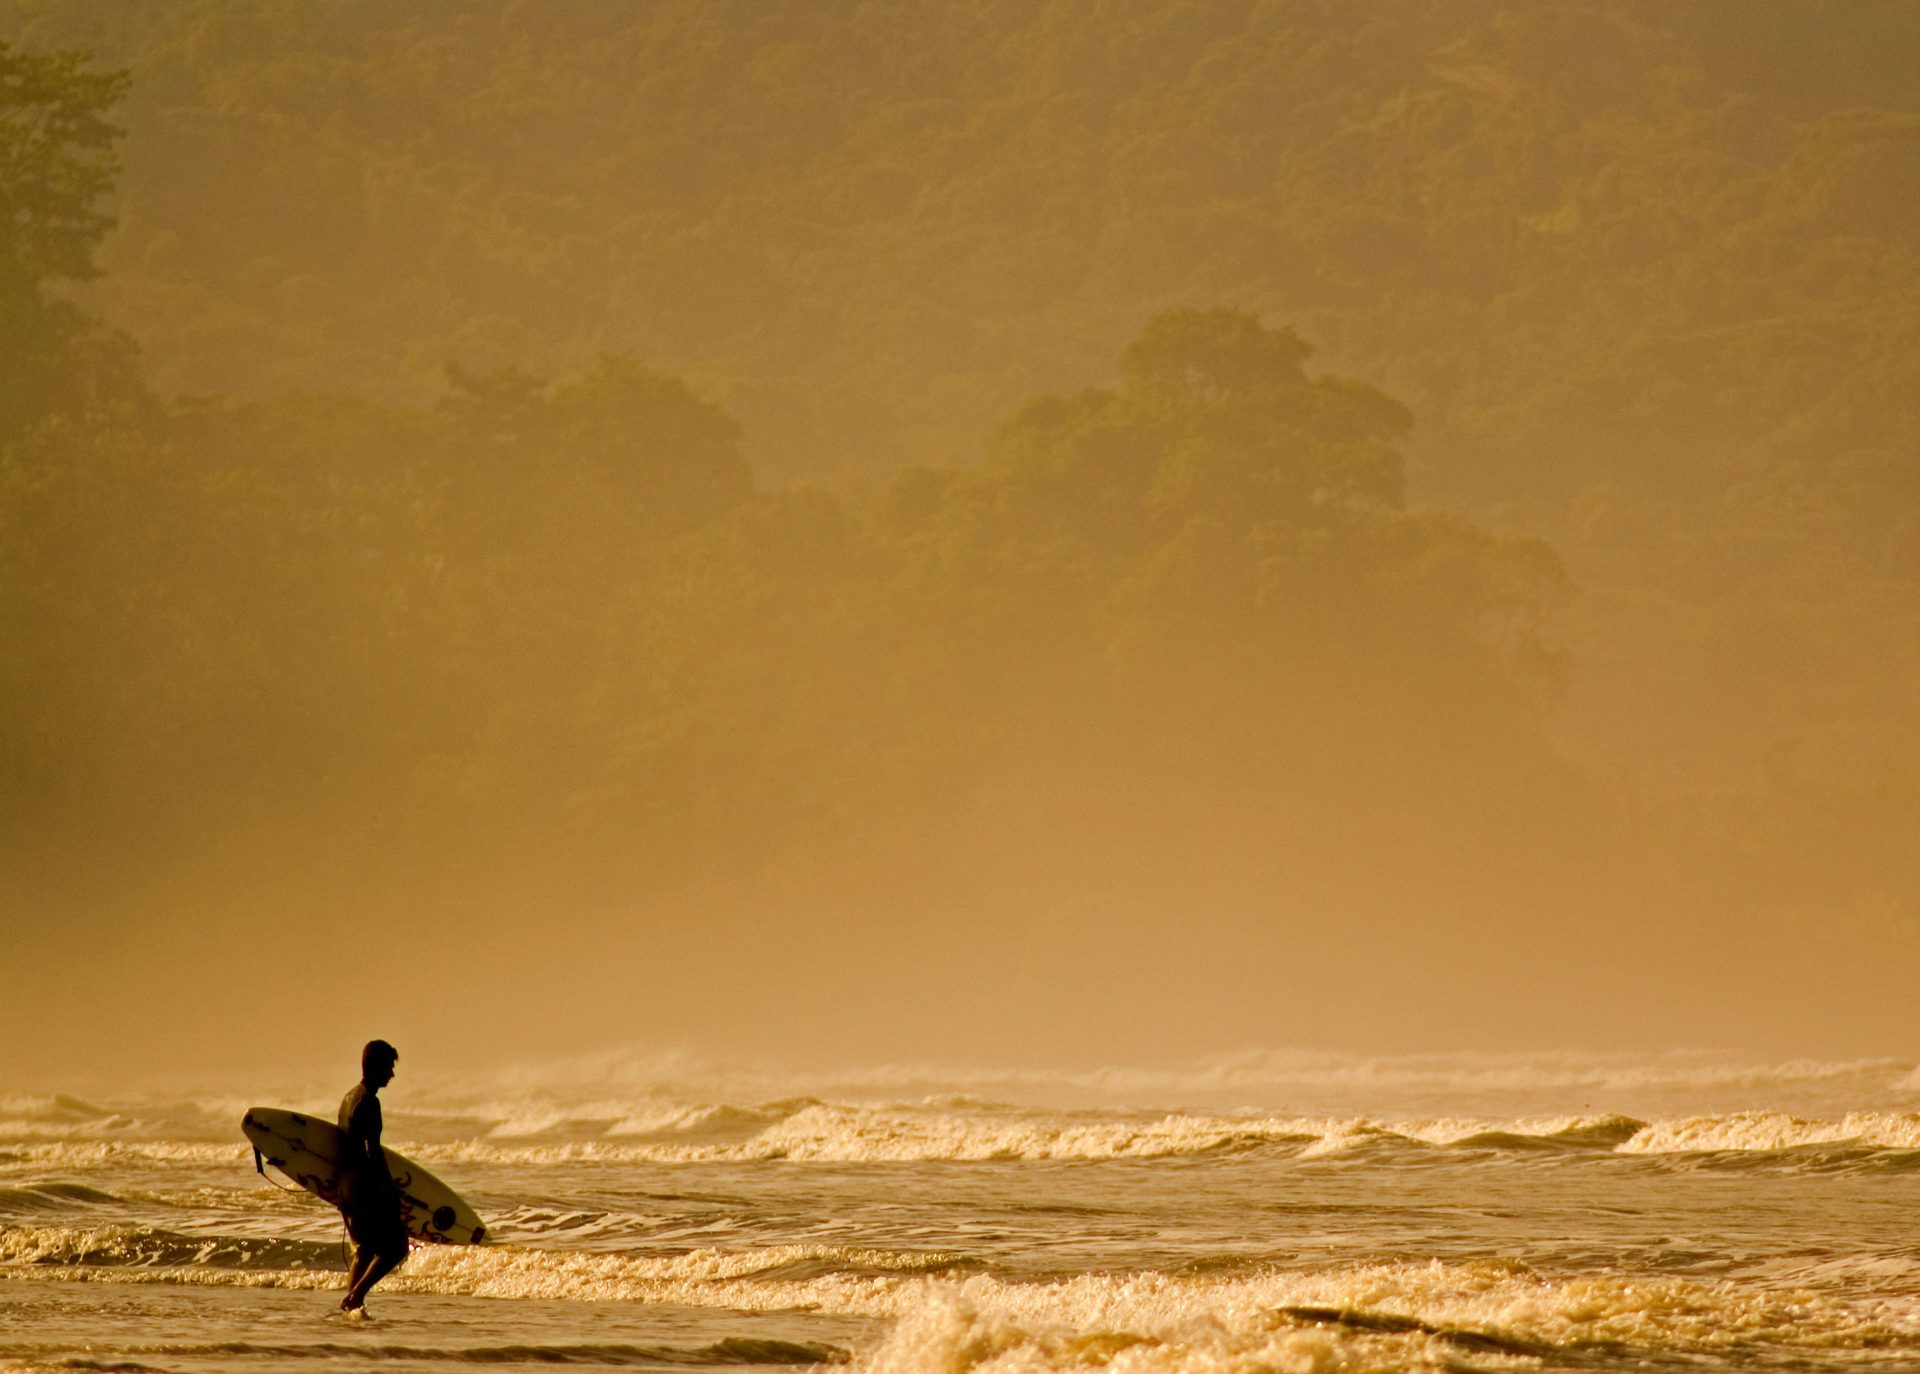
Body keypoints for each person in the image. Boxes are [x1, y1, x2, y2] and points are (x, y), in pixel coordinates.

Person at [335, 1039, 408, 1314]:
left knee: (366, 1248)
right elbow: (373, 1153)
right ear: (375, 1066)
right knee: (397, 1247)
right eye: (389, 1067)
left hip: (345, 1184)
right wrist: (390, 1191)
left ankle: (351, 1307)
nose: (392, 1073)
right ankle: (356, 1296)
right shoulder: (369, 1103)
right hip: (364, 1185)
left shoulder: (348, 1097)